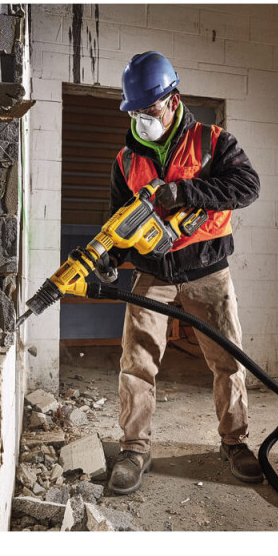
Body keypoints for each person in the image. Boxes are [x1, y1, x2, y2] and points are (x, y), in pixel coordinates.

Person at [101, 51, 262, 495]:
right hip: (153, 273)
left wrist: (183, 191)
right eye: (134, 110)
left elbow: (247, 186)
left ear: (172, 100)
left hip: (208, 271)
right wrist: (110, 257)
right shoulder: (126, 161)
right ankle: (134, 448)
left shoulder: (213, 141)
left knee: (227, 360)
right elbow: (120, 222)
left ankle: (235, 442)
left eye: (148, 109)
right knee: (136, 362)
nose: (141, 119)